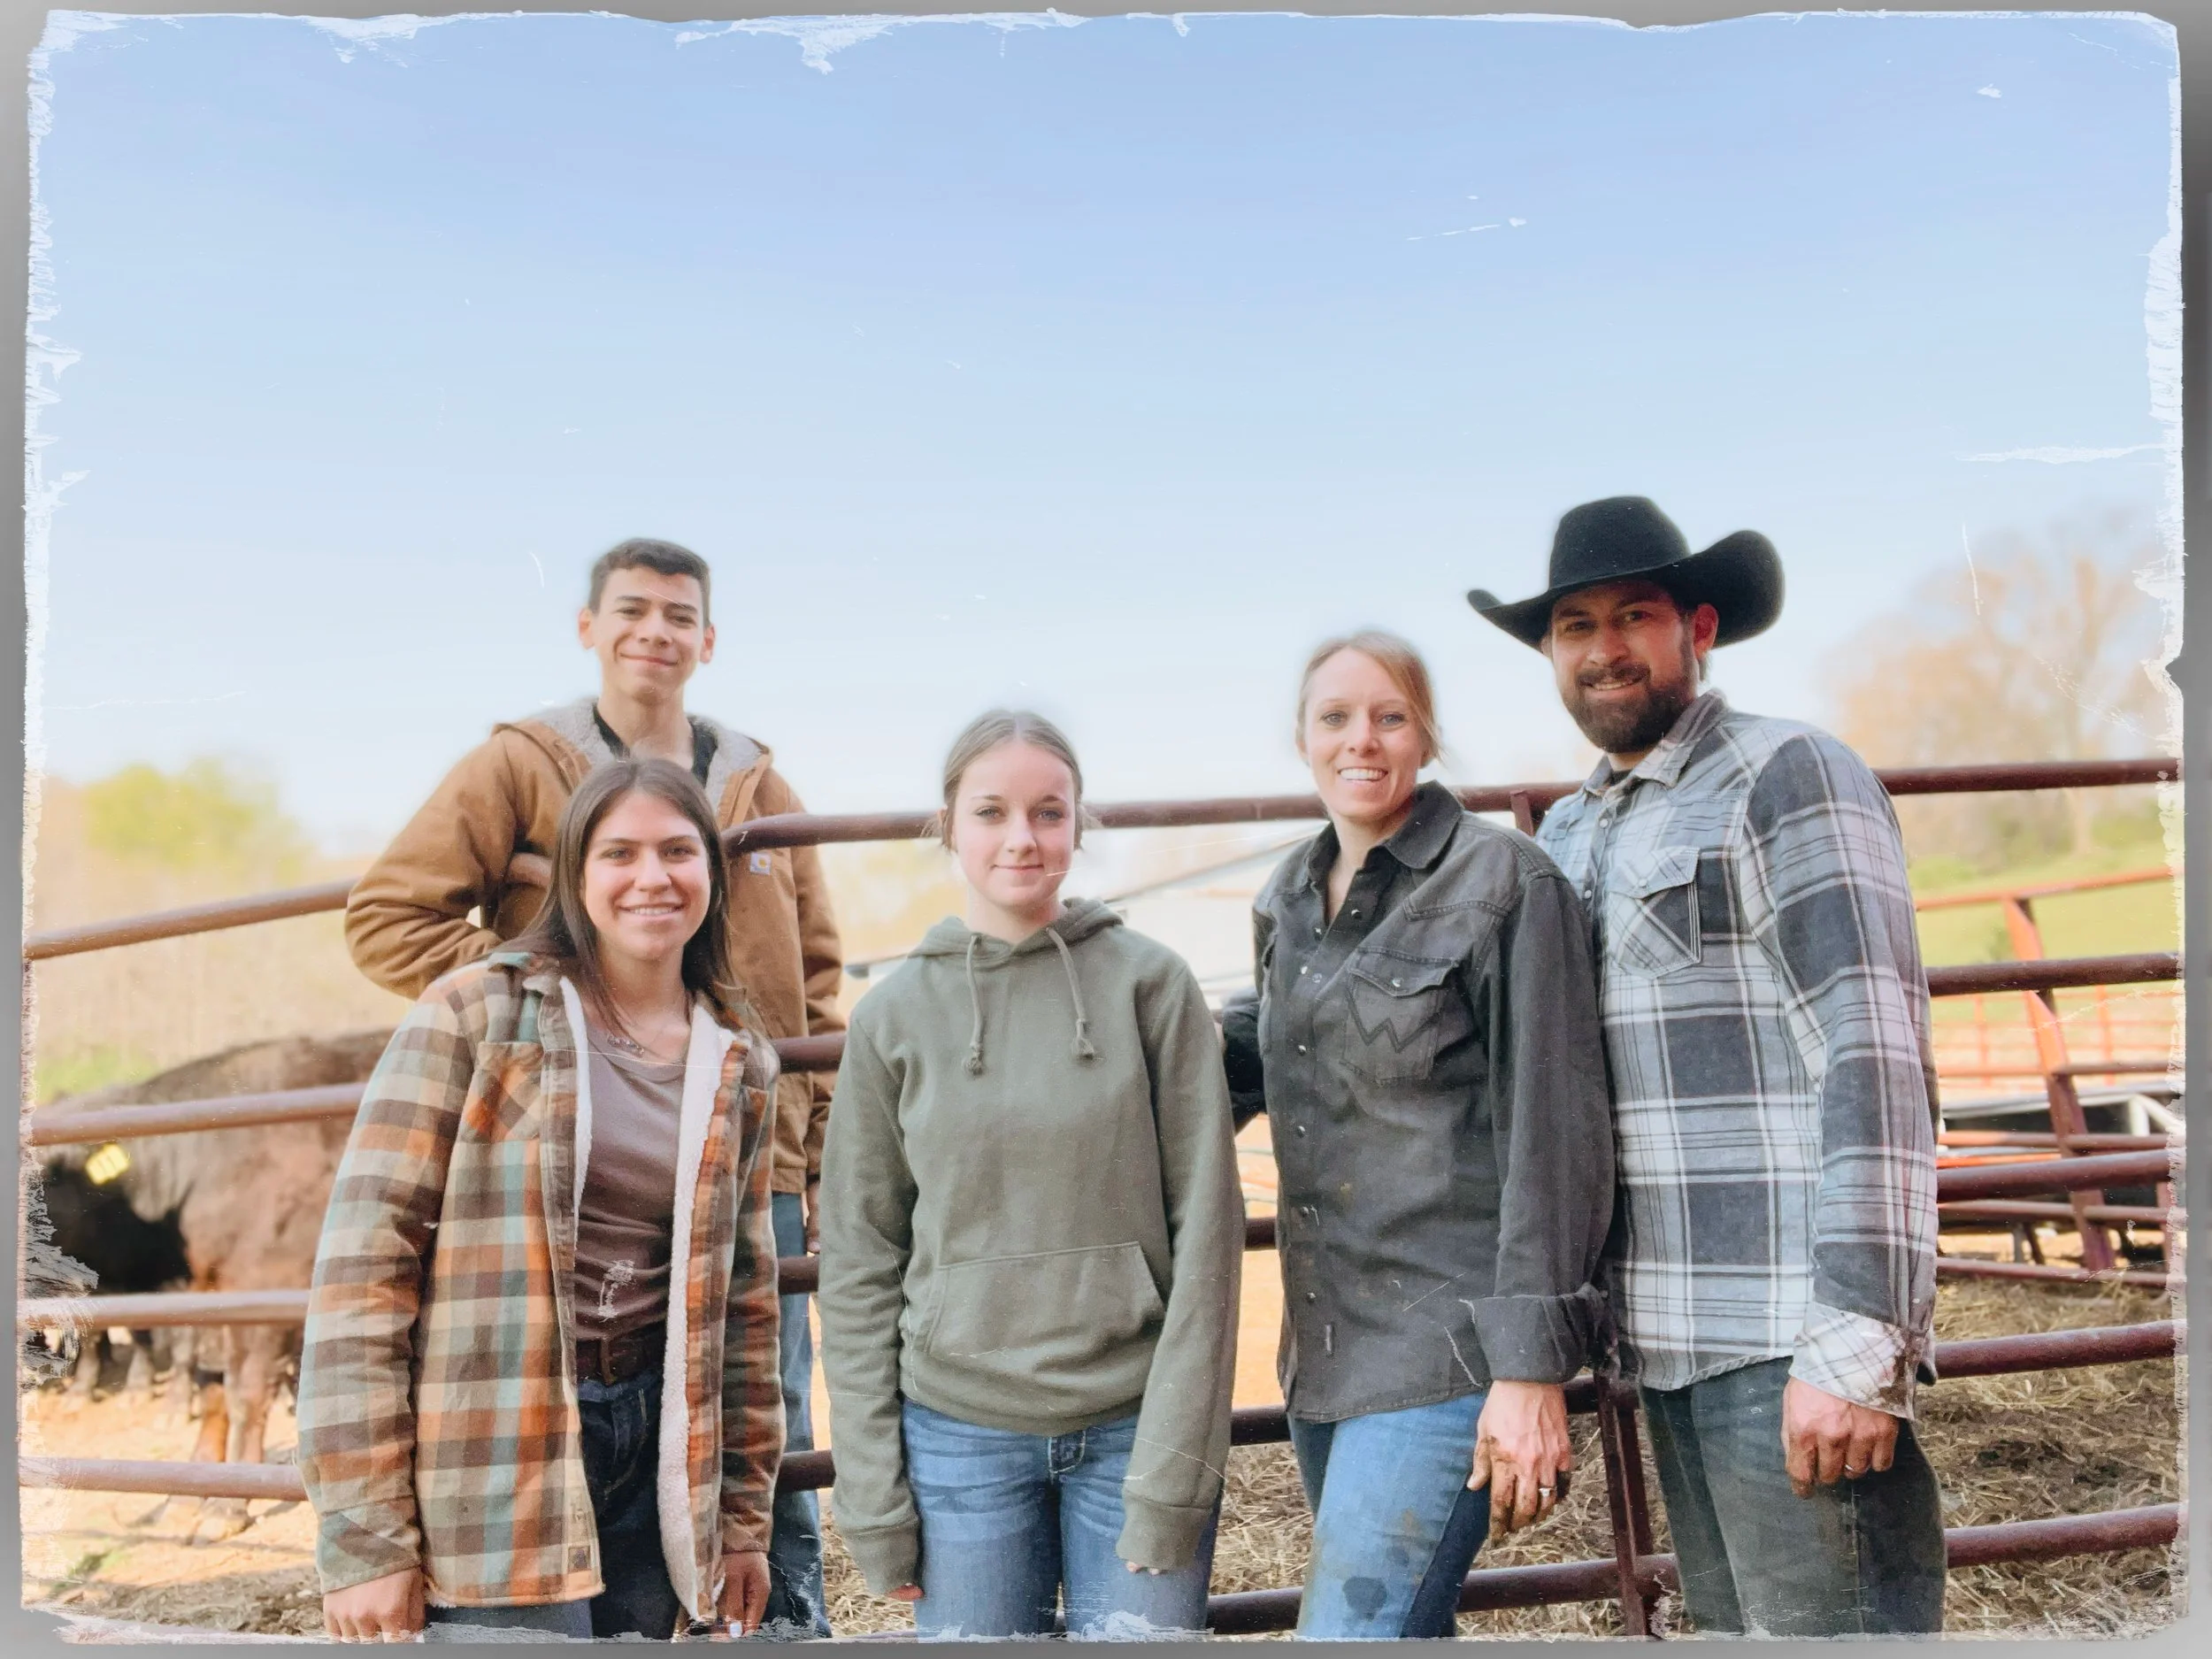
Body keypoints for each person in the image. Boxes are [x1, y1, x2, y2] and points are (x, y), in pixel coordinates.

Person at [343, 537, 842, 1637]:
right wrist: (546, 1005)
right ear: (587, 627)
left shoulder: (763, 781)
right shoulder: (520, 765)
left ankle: (773, 1621)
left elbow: (814, 977)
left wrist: (796, 1113)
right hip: (549, 1171)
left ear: (708, 642)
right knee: (548, 1402)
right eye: (631, 609)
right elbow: (387, 917)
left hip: (740, 1147)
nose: (654, 632)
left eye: (679, 615)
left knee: (748, 1408)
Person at [1469, 495, 1947, 1635]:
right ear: (1550, 654)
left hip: (1786, 1335)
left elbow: (1872, 1050)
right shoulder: (1573, 835)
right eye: (1576, 627)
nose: (1605, 649)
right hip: (1664, 1344)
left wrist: (1854, 1346)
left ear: (1699, 628)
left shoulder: (1787, 774)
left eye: (1634, 615)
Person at [297, 757, 785, 1642]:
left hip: (658, 1445)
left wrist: (741, 1521)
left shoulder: (737, 1061)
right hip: (497, 1439)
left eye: (679, 851)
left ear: (711, 874)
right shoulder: (477, 1018)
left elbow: (744, 1309)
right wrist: (365, 1537)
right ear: (577, 875)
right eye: (619, 854)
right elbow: (363, 1273)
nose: (651, 878)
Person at [817, 710, 1245, 1640]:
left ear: (1079, 824)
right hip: (959, 1436)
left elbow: (1208, 1234)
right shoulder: (891, 1019)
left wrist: (1176, 1471)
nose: (1022, 837)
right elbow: (857, 1263)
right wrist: (875, 1499)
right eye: (992, 811)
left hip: (1132, 1429)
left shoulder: (1149, 986)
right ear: (949, 825)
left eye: (1049, 812)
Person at [1233, 630, 1616, 1640]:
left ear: (1427, 736)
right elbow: (1257, 1058)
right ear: (1301, 737)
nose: (1362, 740)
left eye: (1389, 716)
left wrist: (1530, 1369)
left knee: (1352, 1635)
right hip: (1325, 1348)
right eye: (1336, 717)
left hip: (1449, 1349)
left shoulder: (1504, 883)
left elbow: (1555, 1131)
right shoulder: (1284, 901)